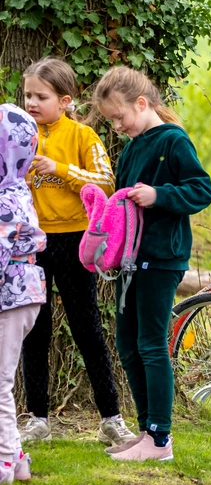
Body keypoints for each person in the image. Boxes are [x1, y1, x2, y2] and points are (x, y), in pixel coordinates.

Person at [90, 67, 211, 462]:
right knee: (127, 345)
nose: (117, 126)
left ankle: (160, 439)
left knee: (151, 344)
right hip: (130, 261)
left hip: (161, 259)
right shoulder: (131, 148)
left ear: (141, 103)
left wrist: (159, 195)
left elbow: (201, 190)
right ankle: (145, 432)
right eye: (111, 120)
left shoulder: (173, 141)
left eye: (119, 117)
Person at [18, 58, 137, 448]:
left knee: (87, 329)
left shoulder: (83, 136)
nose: (32, 103)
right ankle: (38, 419)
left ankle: (111, 419)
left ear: (65, 100)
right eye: (28, 95)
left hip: (74, 241)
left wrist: (61, 168)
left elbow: (106, 182)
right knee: (34, 331)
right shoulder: (19, 134)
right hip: (31, 242)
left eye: (41, 96)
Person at [0, 105, 47, 484]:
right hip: (24, 295)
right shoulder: (18, 188)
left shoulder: (5, 199)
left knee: (0, 383)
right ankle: (16, 458)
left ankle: (2, 463)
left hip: (11, 296)